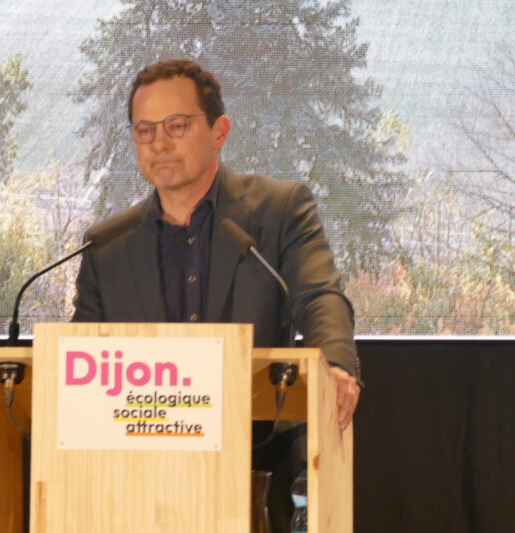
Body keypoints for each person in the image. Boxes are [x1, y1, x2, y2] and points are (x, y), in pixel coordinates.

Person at [72, 58, 362, 428]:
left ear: (219, 132)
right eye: (144, 130)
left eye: (176, 126)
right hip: (141, 450)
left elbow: (320, 298)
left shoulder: (279, 211)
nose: (159, 143)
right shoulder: (106, 246)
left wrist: (334, 365)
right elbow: (77, 362)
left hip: (258, 445)